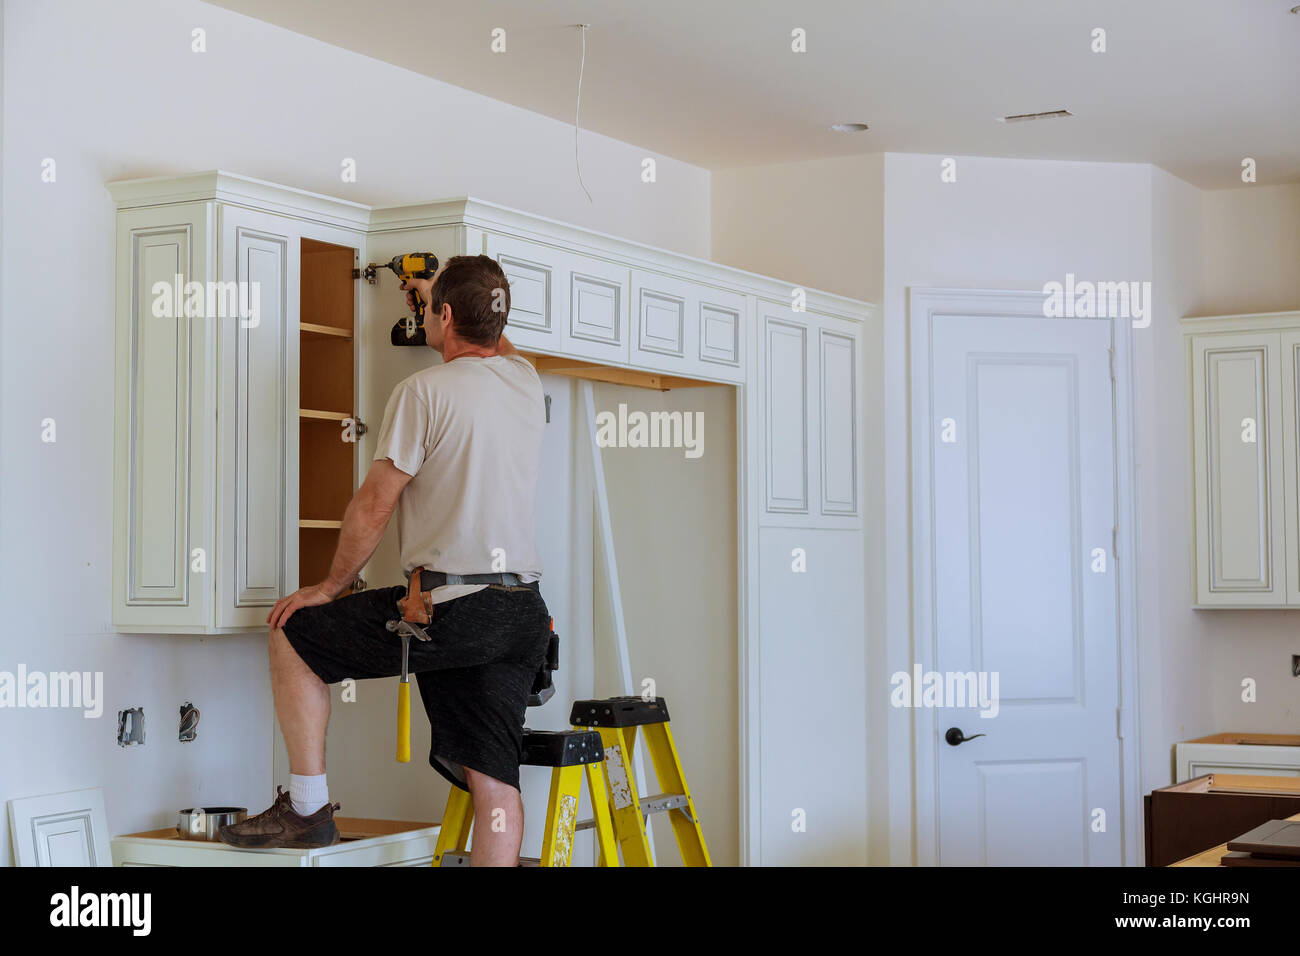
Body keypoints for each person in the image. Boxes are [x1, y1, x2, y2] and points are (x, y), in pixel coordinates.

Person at [219, 255, 549, 866]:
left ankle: (308, 809)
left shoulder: (422, 391)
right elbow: (492, 337)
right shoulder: (526, 380)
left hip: (452, 607)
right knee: (495, 783)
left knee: (293, 634)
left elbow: (374, 504)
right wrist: (444, 296)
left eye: (431, 308)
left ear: (444, 315)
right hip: (522, 612)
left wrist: (330, 585)